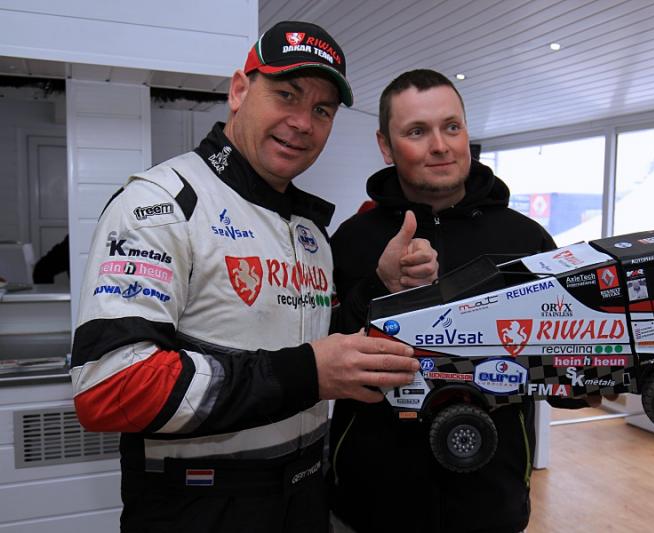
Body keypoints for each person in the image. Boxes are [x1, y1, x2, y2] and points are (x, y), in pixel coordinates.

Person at [69, 21, 431, 533]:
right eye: (287, 94)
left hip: (305, 499)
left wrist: (379, 285)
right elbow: (111, 387)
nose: (302, 123)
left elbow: (318, 345)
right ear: (239, 91)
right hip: (196, 508)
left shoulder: (307, 229)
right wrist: (307, 374)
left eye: (322, 110)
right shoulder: (163, 203)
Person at [327, 69, 591, 533]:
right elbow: (328, 352)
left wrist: (587, 376)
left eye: (451, 127)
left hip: (490, 503)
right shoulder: (352, 239)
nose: (440, 146)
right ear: (386, 146)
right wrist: (379, 285)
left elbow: (557, 359)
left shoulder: (526, 241)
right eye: (416, 131)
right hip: (371, 504)